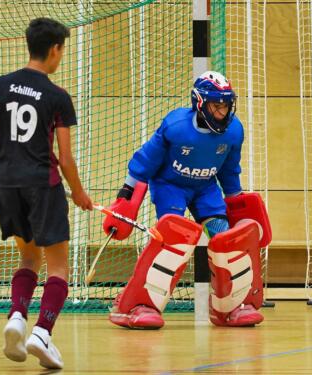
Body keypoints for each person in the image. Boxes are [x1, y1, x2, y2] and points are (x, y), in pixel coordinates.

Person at [103, 71, 270, 329]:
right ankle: (136, 304)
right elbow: (143, 163)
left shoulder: (234, 131)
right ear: (200, 103)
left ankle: (231, 306)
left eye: (226, 105)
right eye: (217, 105)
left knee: (226, 239)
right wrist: (126, 197)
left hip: (206, 187)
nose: (222, 112)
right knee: (173, 240)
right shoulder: (176, 127)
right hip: (170, 186)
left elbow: (229, 170)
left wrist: (236, 201)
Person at [0, 18, 93, 369]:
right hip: (42, 186)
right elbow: (65, 158)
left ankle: (17, 316)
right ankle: (42, 332)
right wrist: (78, 194)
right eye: (63, 50)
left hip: (6, 183)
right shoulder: (57, 96)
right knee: (58, 266)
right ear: (55, 49)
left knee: (29, 258)